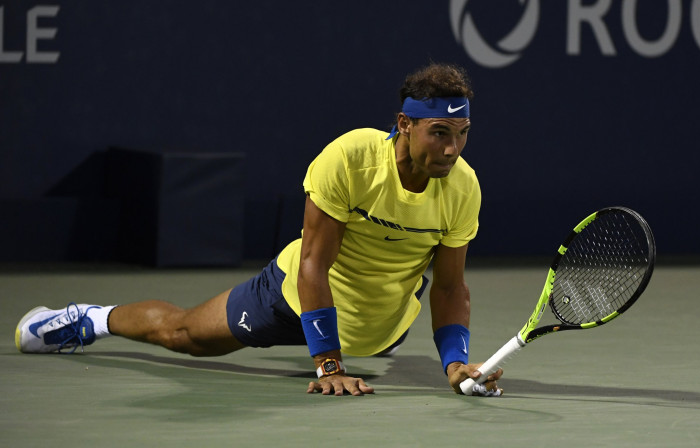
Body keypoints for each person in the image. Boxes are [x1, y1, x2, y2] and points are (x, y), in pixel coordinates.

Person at [15, 63, 503, 397]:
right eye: (440, 132)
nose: (452, 149)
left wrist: (454, 361)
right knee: (183, 333)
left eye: (462, 134)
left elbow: (448, 285)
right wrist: (329, 364)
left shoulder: (463, 188)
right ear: (405, 124)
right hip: (293, 296)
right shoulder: (352, 158)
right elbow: (315, 263)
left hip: (376, 332)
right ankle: (87, 319)